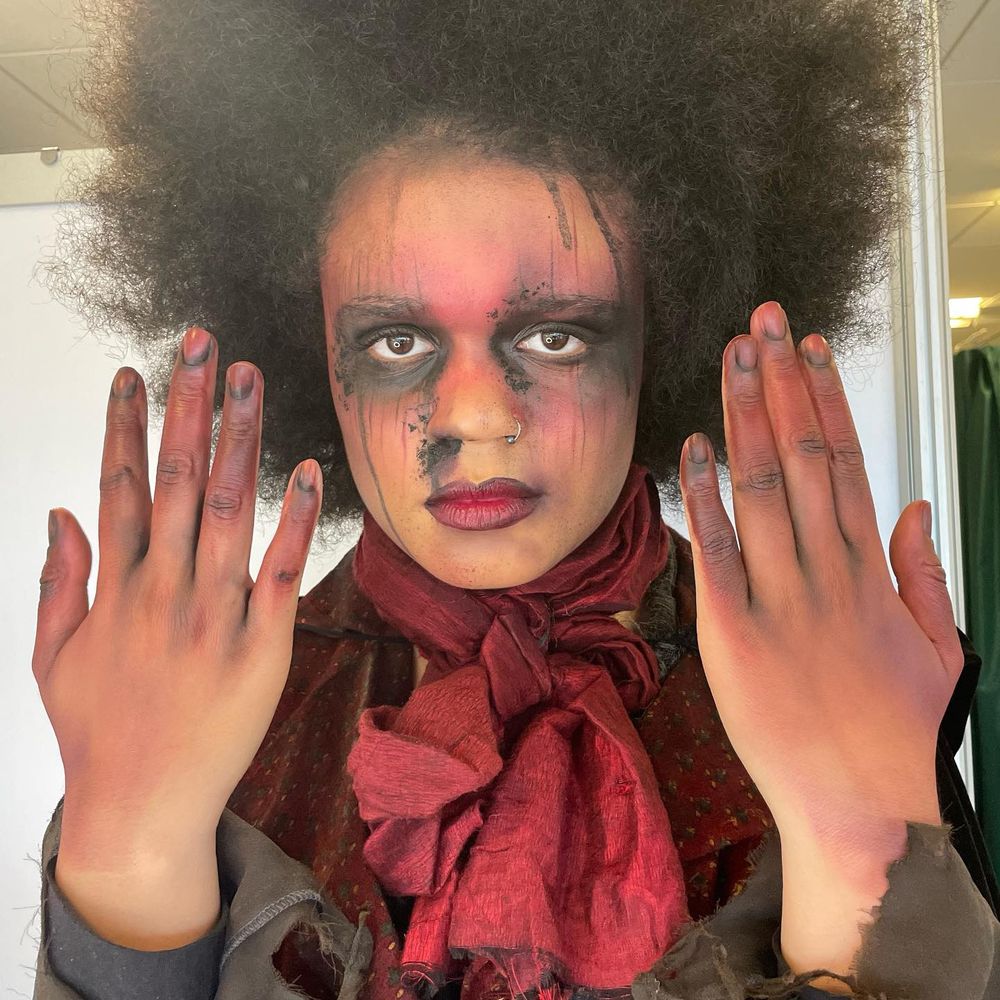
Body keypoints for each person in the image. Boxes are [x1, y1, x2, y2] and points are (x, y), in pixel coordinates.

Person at [27, 0, 1000, 998]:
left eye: (556, 337)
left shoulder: (826, 669)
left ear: (657, 345)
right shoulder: (227, 693)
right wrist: (127, 851)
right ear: (319, 361)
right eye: (395, 342)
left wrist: (865, 847)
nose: (476, 417)